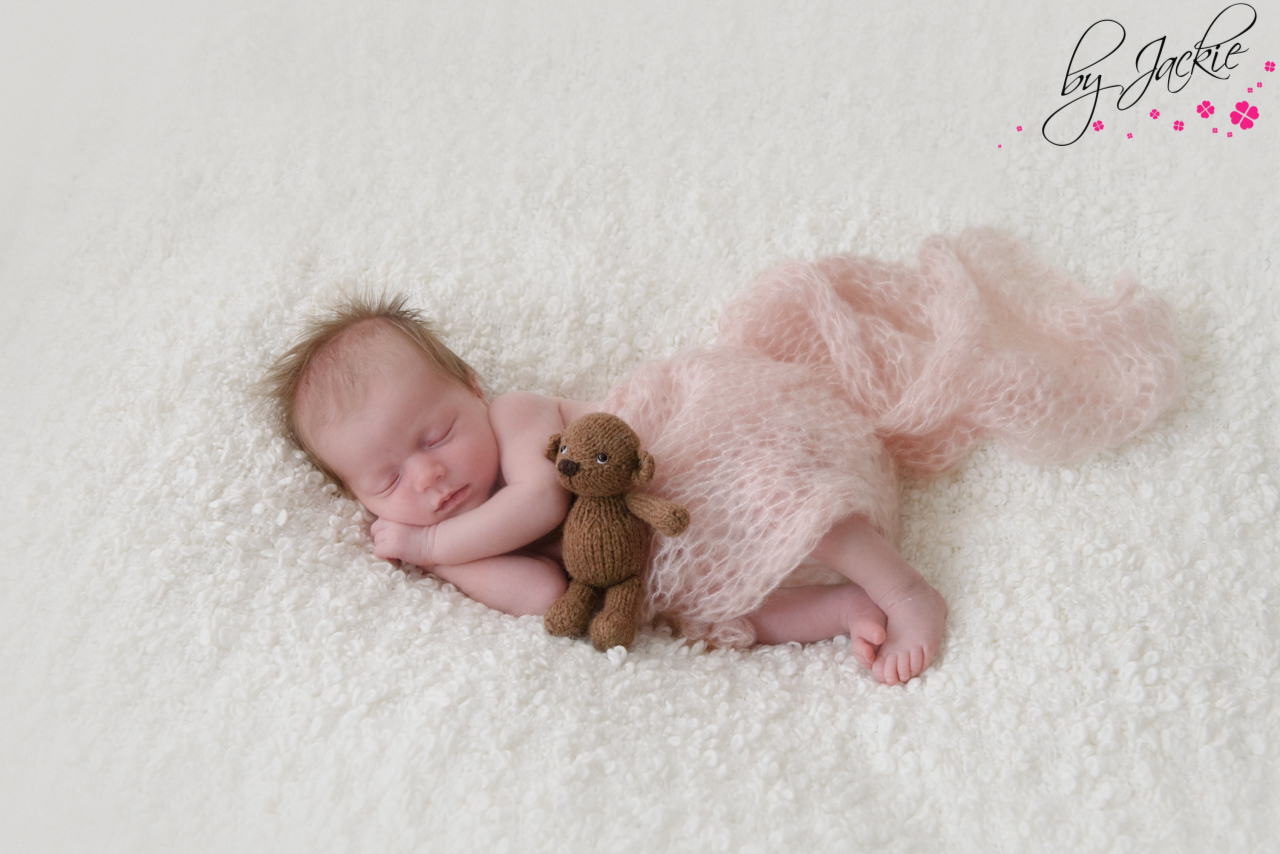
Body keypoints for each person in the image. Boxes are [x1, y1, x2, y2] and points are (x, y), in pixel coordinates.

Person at [263, 230, 1182, 685]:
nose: (428, 476)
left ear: (467, 383)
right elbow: (552, 600)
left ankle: (906, 589)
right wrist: (461, 566)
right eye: (388, 479)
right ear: (357, 498)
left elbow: (544, 505)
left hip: (697, 452)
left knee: (778, 490)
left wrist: (426, 548)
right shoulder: (463, 549)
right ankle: (844, 609)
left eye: (431, 435)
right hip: (661, 566)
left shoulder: (515, 417)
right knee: (713, 615)